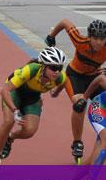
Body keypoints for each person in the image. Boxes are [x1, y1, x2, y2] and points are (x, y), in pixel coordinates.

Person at [0, 47, 67, 166]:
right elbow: (4, 91)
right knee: (9, 121)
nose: (57, 71)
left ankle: (10, 138)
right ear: (43, 66)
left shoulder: (59, 77)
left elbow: (64, 82)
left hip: (32, 97)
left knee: (29, 131)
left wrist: (56, 92)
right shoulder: (30, 70)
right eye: (53, 68)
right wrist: (15, 110)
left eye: (59, 68)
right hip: (15, 91)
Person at [45, 19, 106, 163]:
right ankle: (77, 142)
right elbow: (65, 22)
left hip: (94, 76)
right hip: (75, 75)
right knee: (79, 104)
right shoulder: (80, 41)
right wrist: (52, 36)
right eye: (95, 38)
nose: (98, 42)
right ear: (89, 37)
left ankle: (101, 139)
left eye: (102, 39)